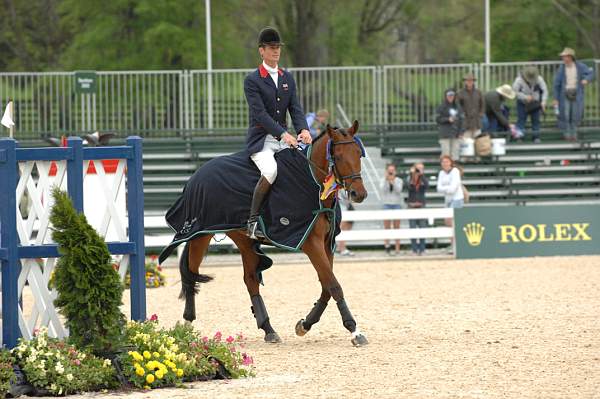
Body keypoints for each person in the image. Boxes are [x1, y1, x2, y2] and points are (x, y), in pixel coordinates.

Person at [244, 27, 312, 239]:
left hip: (284, 139)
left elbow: (295, 108)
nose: (276, 51)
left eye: (278, 48)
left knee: (301, 167)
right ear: (261, 51)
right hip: (261, 140)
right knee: (271, 172)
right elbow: (260, 115)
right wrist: (284, 133)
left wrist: (303, 129)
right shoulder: (253, 80)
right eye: (271, 48)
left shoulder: (287, 78)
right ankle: (253, 223)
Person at [553, 47, 594, 142]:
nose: (563, 58)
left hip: (576, 93)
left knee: (575, 115)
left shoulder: (580, 66)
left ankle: (574, 135)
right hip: (564, 94)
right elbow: (556, 84)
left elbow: (591, 73)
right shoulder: (561, 69)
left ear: (570, 57)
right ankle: (567, 134)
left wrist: (586, 80)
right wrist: (555, 98)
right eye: (563, 57)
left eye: (565, 56)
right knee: (565, 115)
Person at [512, 66, 548, 143]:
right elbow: (514, 92)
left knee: (536, 121)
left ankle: (536, 137)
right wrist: (525, 97)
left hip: (535, 103)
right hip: (522, 103)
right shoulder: (518, 80)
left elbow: (545, 90)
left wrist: (543, 102)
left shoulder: (539, 79)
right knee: (521, 120)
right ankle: (519, 137)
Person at [437, 155, 464, 253]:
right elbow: (438, 188)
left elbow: (453, 189)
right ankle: (453, 245)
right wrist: (447, 188)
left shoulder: (455, 171)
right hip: (447, 200)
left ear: (451, 162)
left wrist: (445, 188)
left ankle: (457, 245)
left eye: (447, 161)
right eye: (443, 162)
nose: (445, 163)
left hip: (457, 199)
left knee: (453, 222)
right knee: (448, 223)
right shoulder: (441, 173)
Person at [406, 162, 429, 255]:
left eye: (421, 168)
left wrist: (421, 175)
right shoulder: (409, 178)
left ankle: (422, 249)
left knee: (422, 228)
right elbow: (407, 186)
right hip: (411, 205)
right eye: (417, 168)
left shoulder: (423, 179)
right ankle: (414, 249)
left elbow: (427, 186)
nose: (418, 170)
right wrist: (411, 174)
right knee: (412, 228)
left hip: (421, 205)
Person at [380, 163, 403, 255]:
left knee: (397, 227)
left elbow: (398, 191)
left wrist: (392, 181)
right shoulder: (382, 180)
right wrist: (387, 180)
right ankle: (387, 246)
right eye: (389, 170)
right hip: (386, 204)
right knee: (387, 227)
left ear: (395, 171)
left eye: (392, 170)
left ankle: (397, 248)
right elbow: (383, 190)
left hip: (396, 204)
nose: (391, 172)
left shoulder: (399, 180)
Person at [436, 88, 463, 161]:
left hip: (456, 133)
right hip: (445, 134)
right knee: (446, 155)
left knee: (455, 154)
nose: (450, 97)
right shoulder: (441, 107)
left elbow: (461, 120)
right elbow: (438, 119)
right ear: (446, 96)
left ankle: (454, 169)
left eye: (452, 95)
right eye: (449, 95)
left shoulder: (458, 107)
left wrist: (460, 132)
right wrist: (447, 119)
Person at [456, 73, 484, 140]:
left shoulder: (478, 92)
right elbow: (457, 106)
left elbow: (482, 105)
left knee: (478, 143)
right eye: (467, 80)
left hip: (476, 122)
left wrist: (480, 114)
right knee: (467, 145)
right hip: (465, 123)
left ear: (473, 81)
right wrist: (462, 115)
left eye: (471, 80)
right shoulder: (460, 93)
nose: (469, 82)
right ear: (465, 82)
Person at [336, 192, 355, 257]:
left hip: (347, 205)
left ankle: (340, 247)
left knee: (348, 226)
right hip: (341, 206)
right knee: (343, 227)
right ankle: (342, 248)